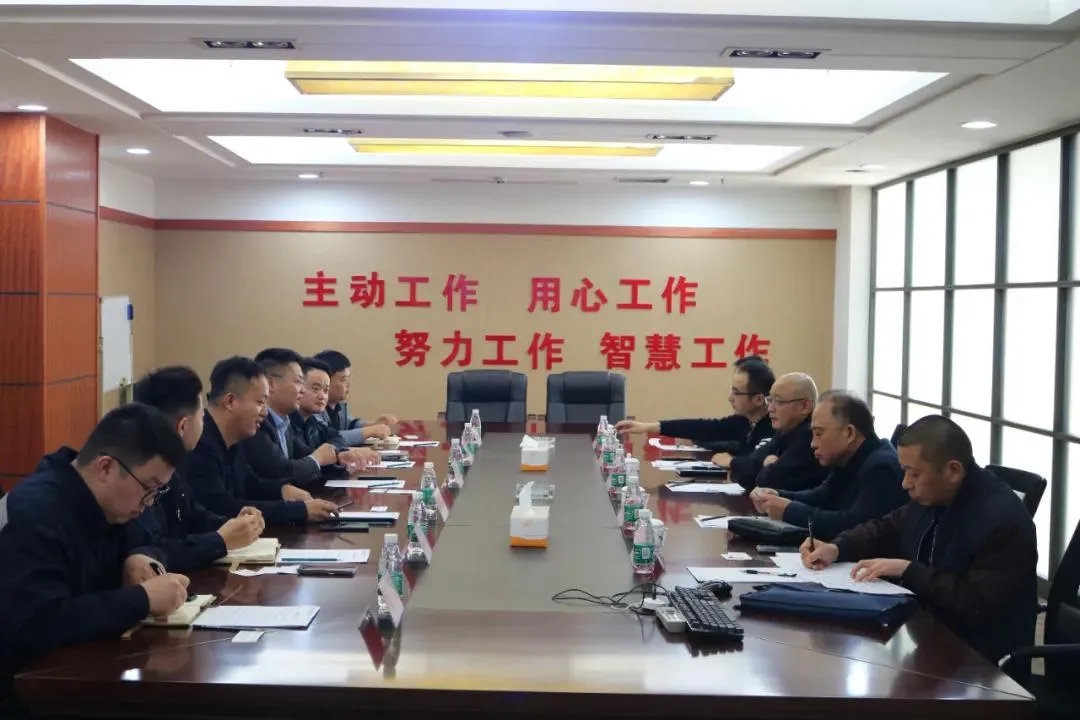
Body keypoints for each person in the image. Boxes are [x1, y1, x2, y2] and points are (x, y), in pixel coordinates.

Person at [800, 415, 1038, 666]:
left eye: (914, 474)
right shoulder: (936, 494)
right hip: (926, 635)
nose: (905, 484)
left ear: (953, 470)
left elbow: (974, 603)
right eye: (904, 471)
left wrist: (908, 570)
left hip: (978, 662)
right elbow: (885, 527)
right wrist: (837, 547)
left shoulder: (1002, 519)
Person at [0, 403, 191, 686]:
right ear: (106, 467)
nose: (150, 502)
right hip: (26, 685)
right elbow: (40, 623)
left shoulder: (114, 503)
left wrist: (140, 557)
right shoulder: (36, 512)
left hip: (83, 669)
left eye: (158, 491)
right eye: (148, 487)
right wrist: (142, 599)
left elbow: (150, 541)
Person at [132, 366, 264, 570]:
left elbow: (194, 514)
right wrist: (220, 540)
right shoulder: (140, 474)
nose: (205, 424)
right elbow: (155, 548)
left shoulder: (172, 465)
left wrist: (234, 524)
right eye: (202, 417)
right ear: (183, 426)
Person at [186, 356, 339, 525]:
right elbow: (223, 508)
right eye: (260, 402)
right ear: (230, 401)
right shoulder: (200, 443)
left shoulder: (233, 437)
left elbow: (251, 483)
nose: (265, 412)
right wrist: (299, 511)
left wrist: (283, 490)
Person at [749, 390, 907, 540]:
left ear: (849, 433)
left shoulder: (881, 468)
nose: (812, 444)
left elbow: (853, 525)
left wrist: (789, 511)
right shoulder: (848, 456)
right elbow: (823, 496)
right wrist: (777, 495)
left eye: (819, 434)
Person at [242, 348, 370, 488]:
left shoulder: (284, 422)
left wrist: (339, 456)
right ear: (271, 384)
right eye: (298, 382)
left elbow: (306, 454)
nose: (302, 390)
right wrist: (317, 459)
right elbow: (279, 470)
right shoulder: (257, 423)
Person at [615, 357, 775, 458]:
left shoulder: (774, 429)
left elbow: (754, 463)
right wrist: (649, 427)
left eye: (736, 392)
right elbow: (707, 428)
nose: (730, 398)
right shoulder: (743, 421)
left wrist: (731, 462)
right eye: (731, 390)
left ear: (758, 399)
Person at [728, 372, 828, 492]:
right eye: (770, 400)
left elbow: (765, 482)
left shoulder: (809, 437)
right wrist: (765, 463)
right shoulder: (784, 432)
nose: (770, 408)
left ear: (804, 406)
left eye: (779, 401)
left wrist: (764, 466)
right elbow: (741, 474)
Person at [291, 358, 382, 463]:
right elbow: (308, 455)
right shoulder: (288, 423)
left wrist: (340, 452)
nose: (322, 396)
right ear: (298, 388)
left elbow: (336, 437)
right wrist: (340, 454)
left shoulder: (311, 421)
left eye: (326, 390)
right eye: (315, 389)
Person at [313, 349, 396, 444]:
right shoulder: (314, 407)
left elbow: (351, 424)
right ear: (325, 380)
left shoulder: (339, 405)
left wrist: (374, 425)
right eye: (344, 380)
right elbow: (326, 438)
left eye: (349, 379)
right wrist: (369, 431)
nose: (349, 384)